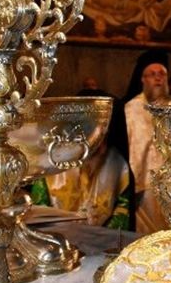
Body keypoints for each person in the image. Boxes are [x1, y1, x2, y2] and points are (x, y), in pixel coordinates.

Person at [30, 88, 131, 229]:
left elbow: (123, 211)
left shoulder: (118, 164)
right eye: (93, 138)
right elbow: (38, 211)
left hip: (100, 239)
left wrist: (100, 236)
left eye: (103, 138)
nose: (100, 147)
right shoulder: (52, 161)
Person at [124, 61, 169, 234]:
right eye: (152, 74)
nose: (158, 78)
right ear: (143, 79)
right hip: (143, 186)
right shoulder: (131, 109)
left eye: (162, 74)